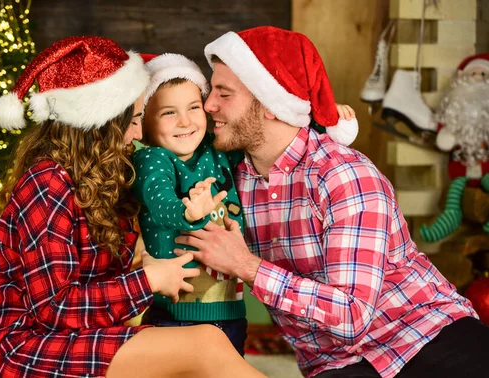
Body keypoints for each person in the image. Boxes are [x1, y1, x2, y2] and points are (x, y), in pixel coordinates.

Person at [174, 26, 489, 378]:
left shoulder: (343, 176)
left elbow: (352, 316)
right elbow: (164, 134)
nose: (208, 104)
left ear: (272, 106)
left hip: (424, 337)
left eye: (224, 93)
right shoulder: (232, 180)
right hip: (338, 365)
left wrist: (247, 266)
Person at [0, 36, 265, 378]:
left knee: (199, 349)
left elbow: (104, 291)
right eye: (134, 119)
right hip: (25, 348)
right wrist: (147, 279)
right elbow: (54, 307)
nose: (139, 131)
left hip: (81, 336)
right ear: (101, 125)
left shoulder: (106, 178)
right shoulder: (47, 183)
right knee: (205, 345)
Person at [132, 53, 248, 355]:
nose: (185, 122)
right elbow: (159, 202)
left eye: (194, 107)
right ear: (145, 124)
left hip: (230, 308)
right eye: (169, 113)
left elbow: (260, 141)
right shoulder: (153, 158)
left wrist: (320, 121)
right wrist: (188, 211)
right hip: (176, 315)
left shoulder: (217, 150)